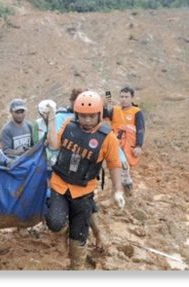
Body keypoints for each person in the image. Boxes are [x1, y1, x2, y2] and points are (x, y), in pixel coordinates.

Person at [45, 90, 125, 270]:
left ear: (99, 114)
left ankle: (76, 267)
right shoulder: (68, 125)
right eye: (82, 116)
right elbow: (53, 145)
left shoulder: (108, 138)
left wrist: (118, 190)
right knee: (55, 222)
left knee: (79, 234)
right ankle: (62, 232)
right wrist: (50, 119)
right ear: (76, 114)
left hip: (84, 191)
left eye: (91, 116)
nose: (87, 120)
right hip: (60, 185)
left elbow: (114, 164)